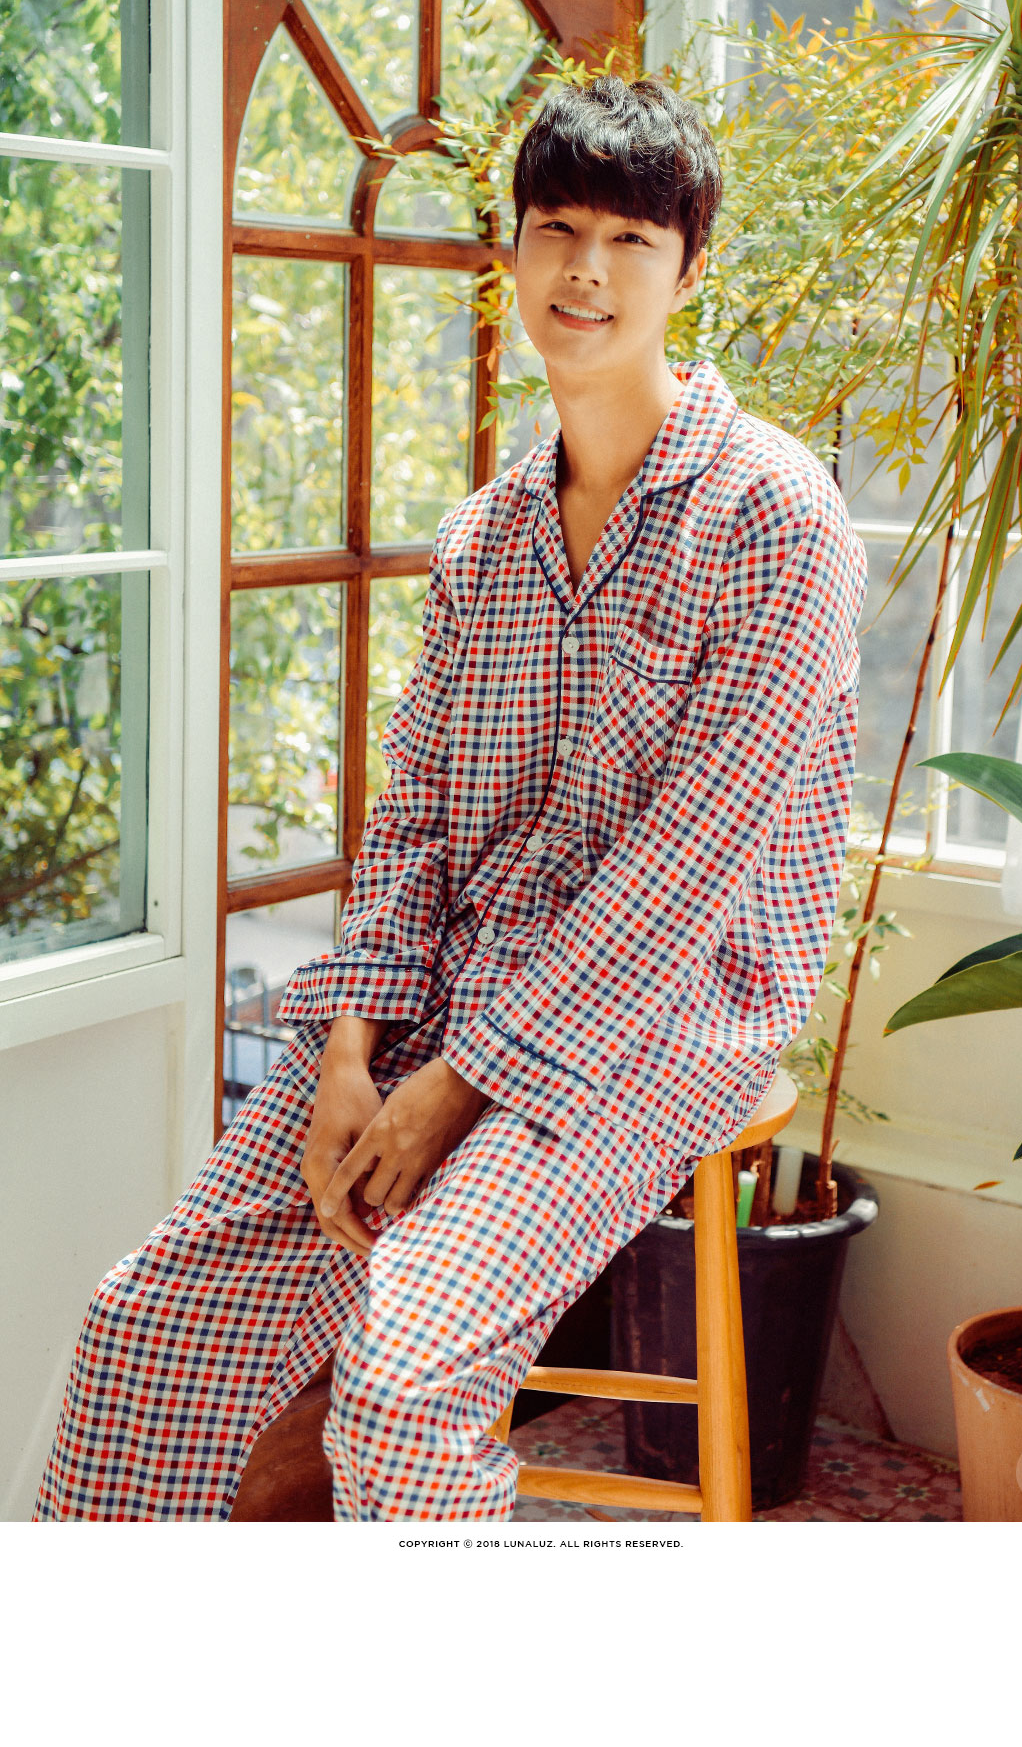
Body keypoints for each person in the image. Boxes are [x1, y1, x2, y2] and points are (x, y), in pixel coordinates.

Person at [34, 75, 865, 1523]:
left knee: (403, 1379)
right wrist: (351, 1053)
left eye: (629, 240)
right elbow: (416, 818)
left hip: (670, 1011)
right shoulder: (485, 537)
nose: (586, 271)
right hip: (447, 993)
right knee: (140, 1327)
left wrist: (455, 1085)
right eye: (557, 231)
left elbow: (687, 868)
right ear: (516, 250)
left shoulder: (779, 518)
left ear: (689, 270)